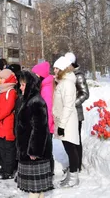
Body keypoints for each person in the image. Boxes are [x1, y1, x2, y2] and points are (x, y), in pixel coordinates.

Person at [15, 71, 53, 197]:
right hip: (27, 150)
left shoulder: (36, 101)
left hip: (34, 153)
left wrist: (34, 151)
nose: (20, 87)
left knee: (34, 189)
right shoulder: (27, 100)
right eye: (20, 84)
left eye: (23, 85)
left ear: (30, 85)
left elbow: (39, 129)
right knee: (37, 189)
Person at [53, 56, 80, 187]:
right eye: (54, 68)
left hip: (68, 121)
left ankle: (74, 177)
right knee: (68, 148)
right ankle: (71, 174)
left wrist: (62, 125)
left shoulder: (68, 84)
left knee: (71, 149)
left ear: (63, 69)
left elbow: (68, 106)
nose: (54, 70)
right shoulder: (62, 82)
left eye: (57, 68)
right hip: (64, 120)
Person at [0, 69, 17, 179]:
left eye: (2, 78)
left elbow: (6, 110)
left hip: (6, 125)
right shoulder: (3, 91)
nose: (0, 80)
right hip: (1, 124)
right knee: (2, 148)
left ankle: (9, 170)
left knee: (8, 149)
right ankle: (4, 167)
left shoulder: (11, 92)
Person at [65, 52, 89, 172]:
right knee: (69, 140)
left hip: (76, 113)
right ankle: (73, 164)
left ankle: (77, 166)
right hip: (67, 113)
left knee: (75, 140)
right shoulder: (67, 74)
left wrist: (72, 104)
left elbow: (85, 94)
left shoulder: (78, 75)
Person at [32, 61, 55, 174]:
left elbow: (48, 109)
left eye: (35, 74)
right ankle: (46, 170)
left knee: (46, 149)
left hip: (46, 124)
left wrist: (46, 125)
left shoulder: (46, 89)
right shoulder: (44, 85)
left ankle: (48, 171)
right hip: (44, 123)